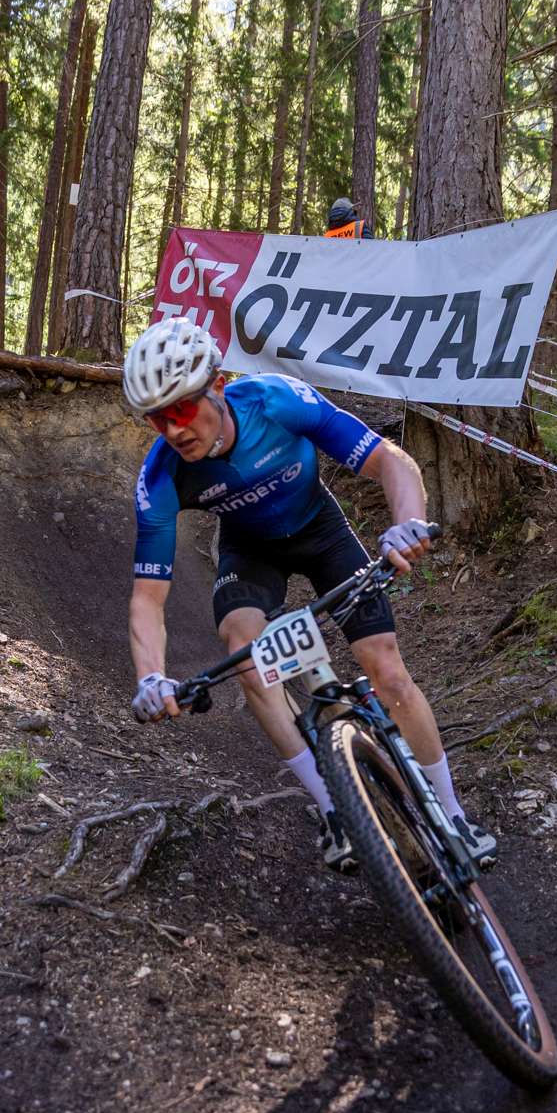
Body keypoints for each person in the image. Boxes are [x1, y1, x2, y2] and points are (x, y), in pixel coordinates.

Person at [124, 316, 495, 872]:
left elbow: (388, 460)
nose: (173, 430)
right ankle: (334, 809)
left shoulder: (276, 401)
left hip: (322, 533)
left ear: (218, 384)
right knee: (245, 655)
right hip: (251, 552)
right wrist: (151, 677)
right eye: (158, 419)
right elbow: (148, 598)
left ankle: (451, 812)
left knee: (386, 669)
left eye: (180, 410)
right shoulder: (161, 476)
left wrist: (407, 523)